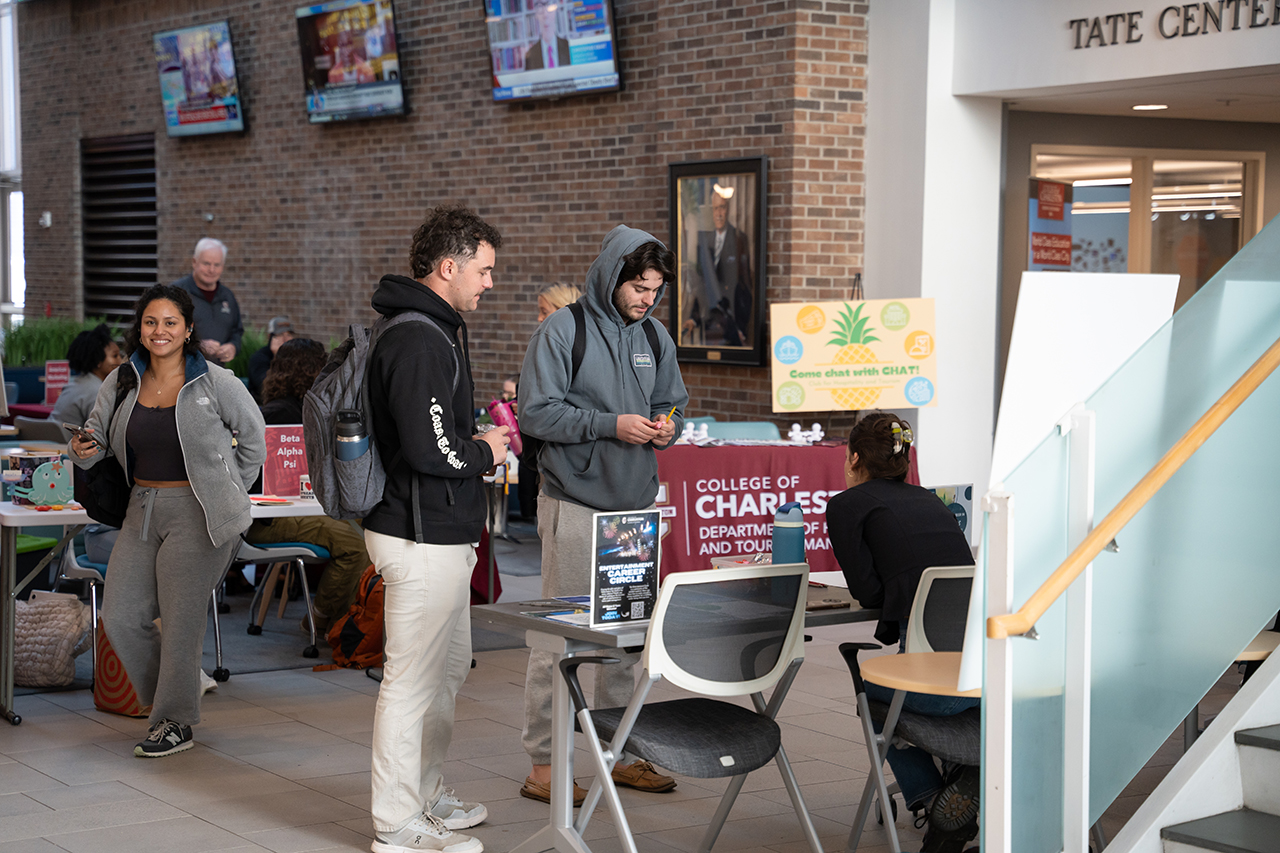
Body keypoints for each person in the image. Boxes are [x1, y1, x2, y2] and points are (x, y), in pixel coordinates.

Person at [517, 225, 689, 804]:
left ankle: (622, 754)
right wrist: (609, 424)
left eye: (656, 289)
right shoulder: (563, 331)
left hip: (634, 512)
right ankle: (544, 765)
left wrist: (669, 428)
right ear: (612, 275)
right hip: (573, 504)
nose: (647, 299)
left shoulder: (655, 337)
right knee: (557, 642)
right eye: (638, 286)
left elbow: (672, 402)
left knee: (627, 641)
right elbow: (536, 415)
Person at [363, 204, 510, 853]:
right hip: (418, 536)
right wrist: (488, 450)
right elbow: (431, 449)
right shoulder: (418, 337)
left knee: (443, 675)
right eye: (483, 269)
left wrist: (475, 443)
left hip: (442, 534)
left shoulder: (436, 328)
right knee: (411, 682)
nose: (489, 282)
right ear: (448, 266)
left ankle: (422, 796)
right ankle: (397, 824)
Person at [69, 284, 265, 758]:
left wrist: (225, 490)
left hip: (199, 513)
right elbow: (94, 438)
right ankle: (177, 690)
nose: (160, 331)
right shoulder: (121, 381)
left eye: (170, 323)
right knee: (118, 617)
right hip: (141, 506)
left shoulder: (216, 382)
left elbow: (254, 440)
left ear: (188, 329)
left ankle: (173, 721)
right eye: (151, 322)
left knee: (180, 622)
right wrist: (81, 450)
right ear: (140, 328)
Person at [825, 413, 978, 853]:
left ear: (854, 457)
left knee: (871, 699)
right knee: (898, 692)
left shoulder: (847, 505)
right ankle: (968, 780)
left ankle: (933, 801)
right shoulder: (931, 501)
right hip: (985, 678)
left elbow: (867, 590)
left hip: (939, 686)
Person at [519, 282, 582, 520]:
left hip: (562, 461)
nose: (539, 318)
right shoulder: (546, 343)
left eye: (544, 311)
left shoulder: (574, 347)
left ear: (562, 310)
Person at [685, 191, 754, 347]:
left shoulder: (739, 239)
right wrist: (693, 318)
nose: (719, 213)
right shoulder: (705, 241)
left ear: (728, 209)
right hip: (709, 323)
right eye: (715, 208)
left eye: (722, 208)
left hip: (731, 321)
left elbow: (746, 287)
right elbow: (701, 285)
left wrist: (741, 327)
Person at [171, 237, 243, 365]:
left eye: (217, 265)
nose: (211, 270)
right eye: (206, 264)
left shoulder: (227, 296)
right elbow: (165, 333)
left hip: (216, 374)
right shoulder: (176, 293)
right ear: (194, 262)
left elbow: (236, 331)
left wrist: (233, 346)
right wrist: (198, 345)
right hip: (181, 372)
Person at [51, 323, 125, 437]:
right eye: (115, 356)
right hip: (71, 449)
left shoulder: (74, 384)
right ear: (98, 361)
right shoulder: (97, 391)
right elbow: (100, 432)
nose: (120, 361)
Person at [248, 316, 296, 401]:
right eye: (280, 335)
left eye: (288, 334)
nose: (285, 339)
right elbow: (266, 386)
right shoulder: (259, 358)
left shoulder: (296, 356)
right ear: (270, 337)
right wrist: (278, 356)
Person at [523, 0, 571, 71]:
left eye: (549, 6)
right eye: (540, 7)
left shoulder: (569, 48)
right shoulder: (530, 55)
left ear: (556, 10)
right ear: (536, 14)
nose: (545, 15)